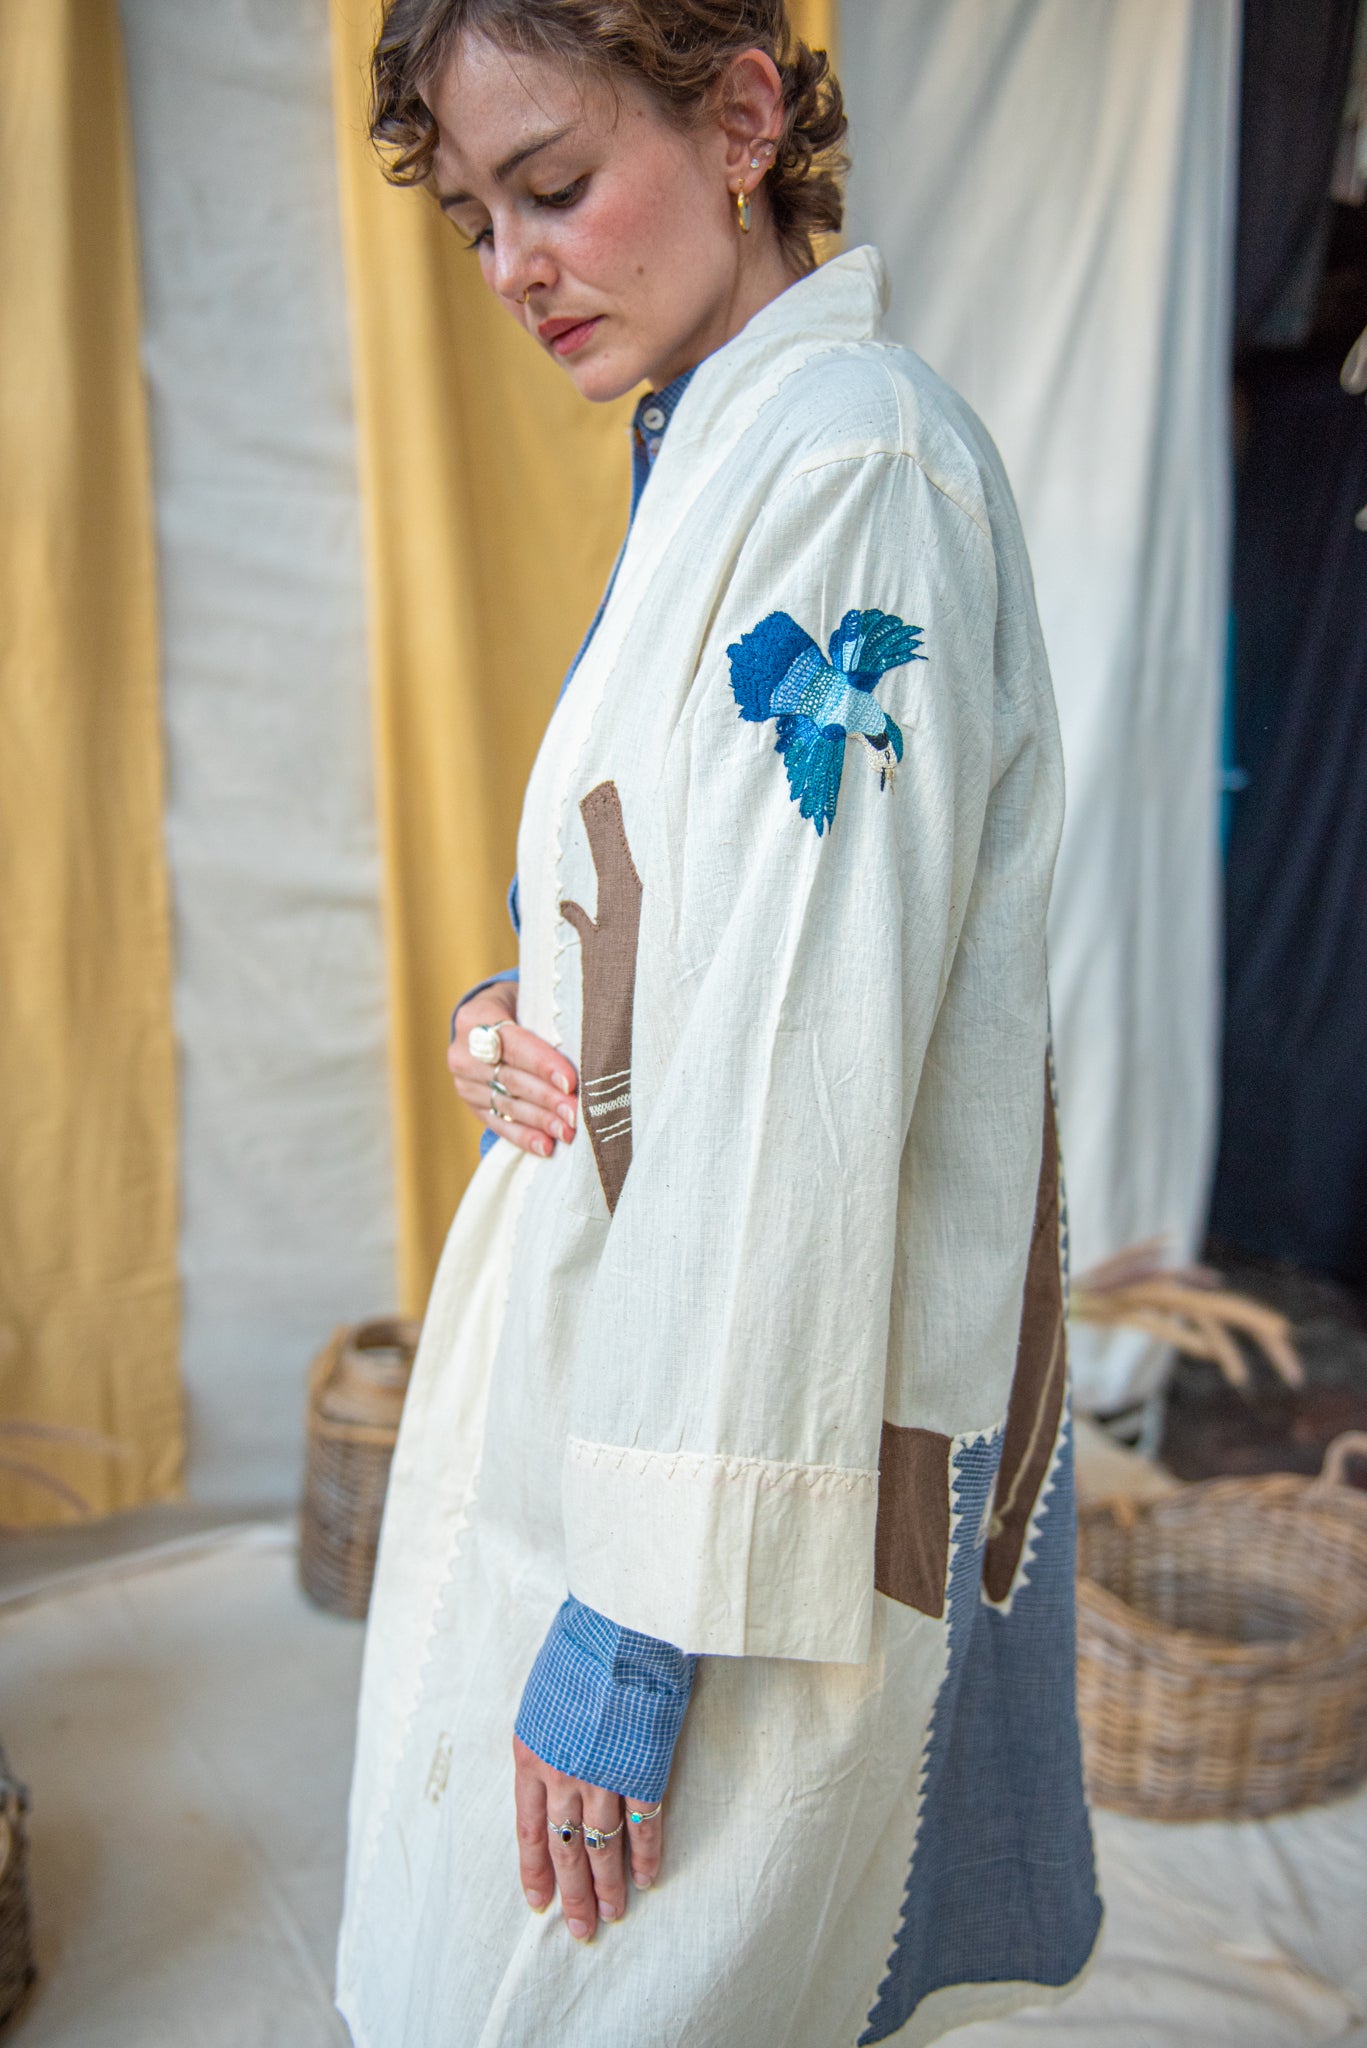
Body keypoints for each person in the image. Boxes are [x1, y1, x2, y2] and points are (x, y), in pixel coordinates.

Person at [337, 4, 1102, 2044]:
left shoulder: (852, 471)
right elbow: (693, 919)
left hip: (744, 1430)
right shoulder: (731, 441)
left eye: (555, 185)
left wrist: (640, 1614)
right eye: (475, 218)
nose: (513, 267)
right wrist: (527, 999)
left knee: (616, 1983)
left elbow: (803, 1058)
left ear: (745, 114)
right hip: (643, 1356)